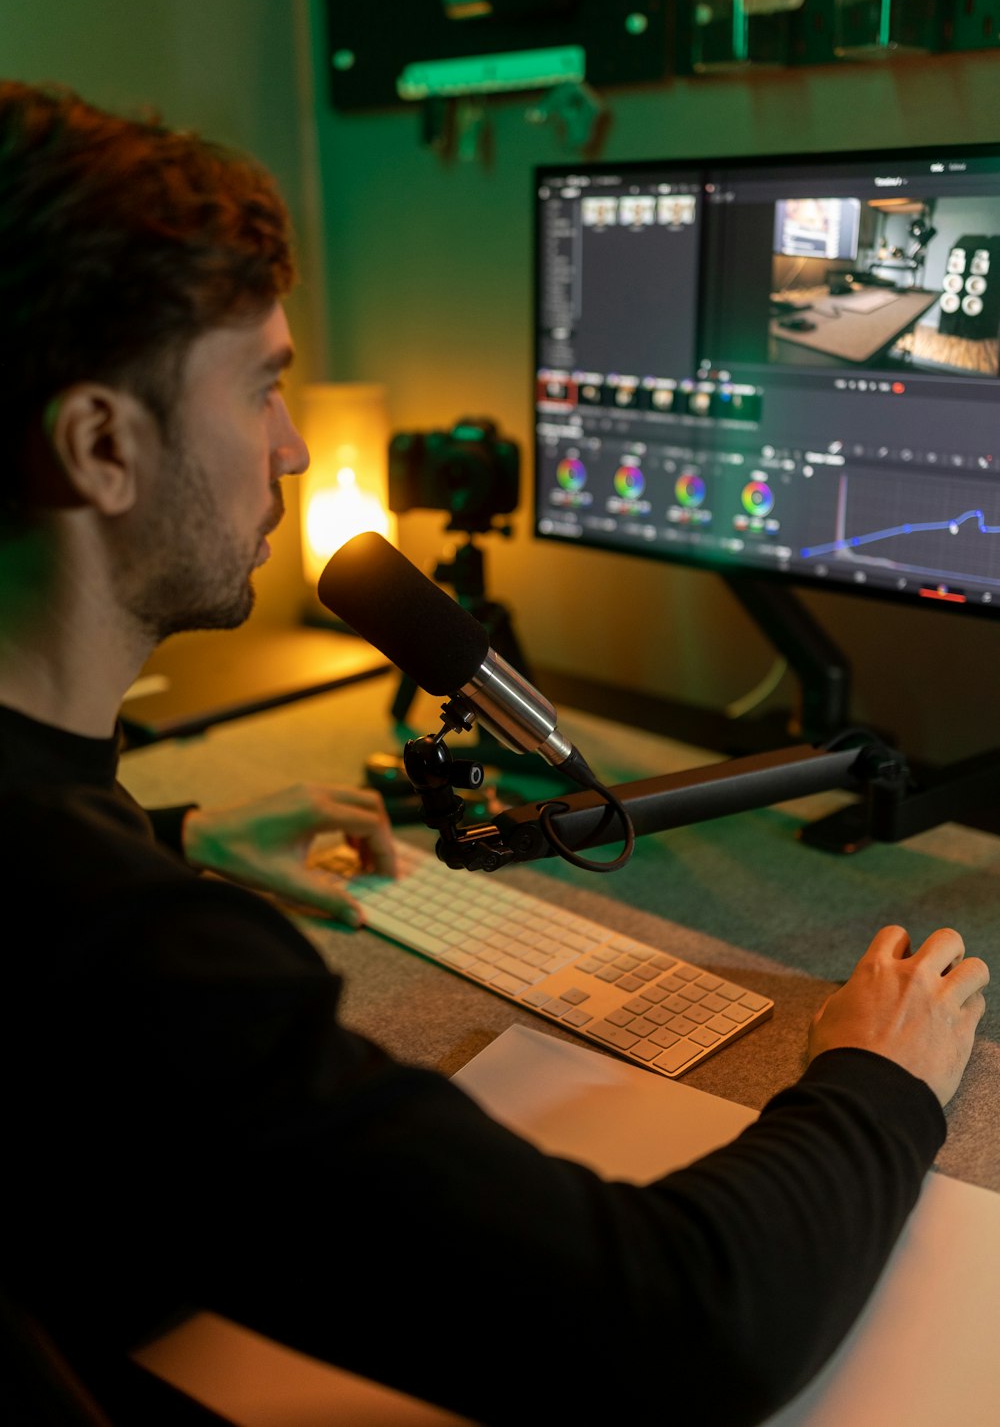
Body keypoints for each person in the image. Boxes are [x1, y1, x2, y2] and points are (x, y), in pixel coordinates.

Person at [0, 79, 988, 1427]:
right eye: (262, 387)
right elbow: (688, 1329)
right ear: (101, 447)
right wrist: (882, 1079)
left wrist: (168, 833)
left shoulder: (71, 855)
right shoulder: (126, 956)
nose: (291, 451)